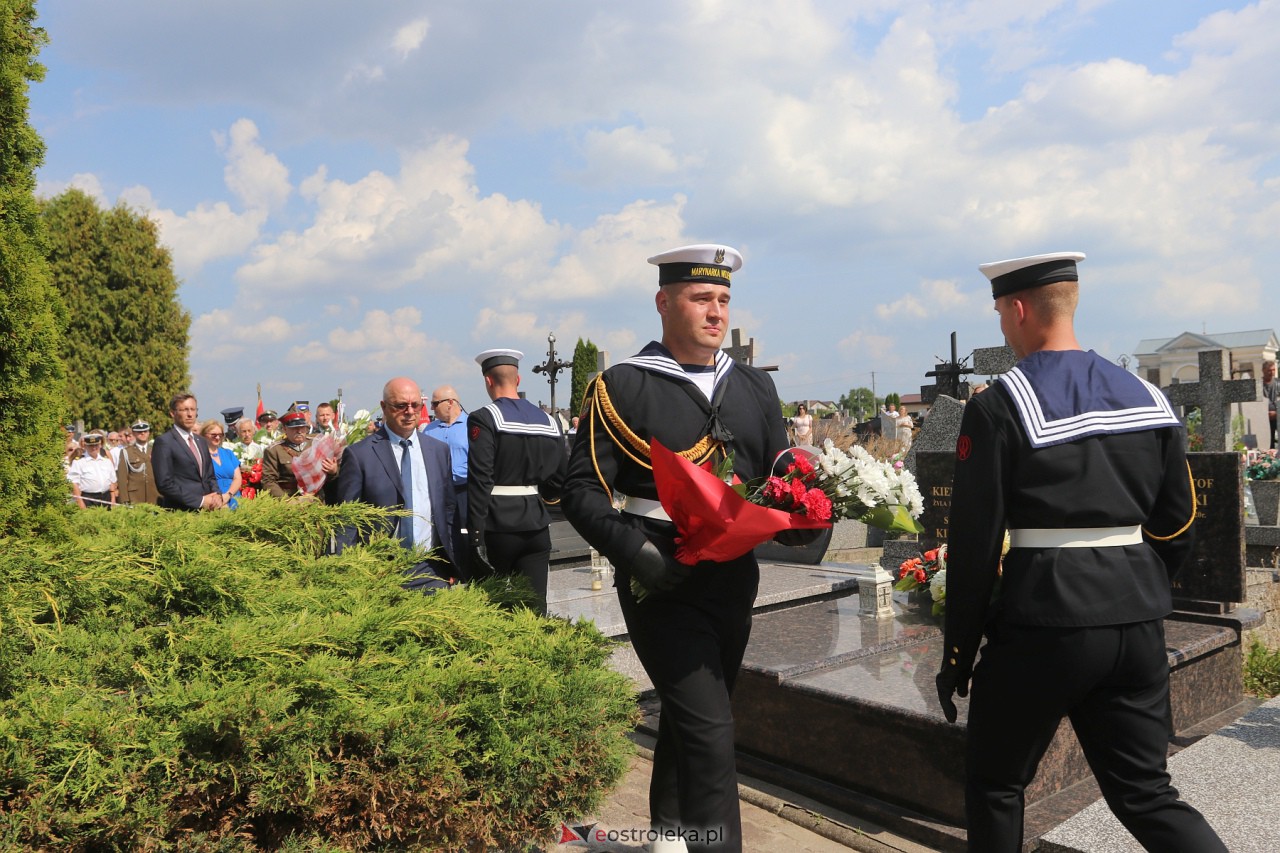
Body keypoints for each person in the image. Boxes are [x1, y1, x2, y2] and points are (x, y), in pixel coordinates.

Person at [935, 252, 1226, 853]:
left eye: (998, 314)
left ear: (1017, 310)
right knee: (1147, 793)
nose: (1000, 326)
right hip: (1137, 621)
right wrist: (1136, 584)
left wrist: (958, 653)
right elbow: (1178, 524)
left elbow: (975, 546)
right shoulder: (1148, 395)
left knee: (996, 785)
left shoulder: (999, 405)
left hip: (1046, 622)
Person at [562, 244, 804, 853]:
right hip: (659, 575)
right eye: (701, 298)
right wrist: (632, 551)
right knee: (712, 732)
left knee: (692, 715)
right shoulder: (622, 385)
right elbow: (582, 491)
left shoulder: (752, 386)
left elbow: (782, 473)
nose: (715, 311)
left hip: (733, 575)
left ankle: (671, 838)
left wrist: (809, 512)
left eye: (723, 299)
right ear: (664, 302)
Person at [335, 377, 467, 589]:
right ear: (384, 407)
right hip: (378, 570)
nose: (409, 411)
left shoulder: (439, 451)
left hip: (430, 568)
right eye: (400, 406)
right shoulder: (360, 455)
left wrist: (455, 565)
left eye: (415, 405)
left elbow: (448, 511)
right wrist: (346, 571)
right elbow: (348, 520)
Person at [467, 350, 568, 613]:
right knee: (534, 610)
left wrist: (475, 535)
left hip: (497, 526)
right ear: (519, 379)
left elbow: (480, 478)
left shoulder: (485, 418)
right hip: (536, 525)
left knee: (494, 611)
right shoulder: (548, 420)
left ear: (488, 381)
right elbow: (559, 476)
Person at [152, 393, 223, 511]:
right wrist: (200, 501)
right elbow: (164, 484)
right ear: (173, 413)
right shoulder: (164, 442)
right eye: (184, 410)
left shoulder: (201, 441)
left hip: (207, 511)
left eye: (193, 409)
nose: (190, 414)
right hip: (181, 512)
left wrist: (217, 494)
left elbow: (210, 476)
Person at [422, 384, 470, 522]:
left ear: (450, 403)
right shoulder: (429, 430)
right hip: (439, 494)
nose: (431, 408)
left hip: (465, 492)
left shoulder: (472, 426)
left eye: (435, 403)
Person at [261, 411, 332, 499]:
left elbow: (331, 475)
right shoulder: (274, 450)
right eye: (294, 428)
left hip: (316, 500)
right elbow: (268, 481)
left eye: (302, 427)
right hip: (289, 501)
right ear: (284, 429)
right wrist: (287, 501)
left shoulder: (317, 443)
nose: (299, 431)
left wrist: (333, 471)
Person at [67, 431, 117, 508]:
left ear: (100, 445)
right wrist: (80, 502)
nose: (94, 448)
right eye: (90, 446)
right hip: (88, 498)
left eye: (96, 445)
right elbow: (74, 483)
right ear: (85, 446)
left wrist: (113, 498)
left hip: (106, 497)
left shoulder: (106, 461)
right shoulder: (79, 462)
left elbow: (112, 481)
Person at [200, 419, 242, 509]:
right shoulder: (200, 456)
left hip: (234, 496)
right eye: (213, 435)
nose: (218, 438)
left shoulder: (228, 453)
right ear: (204, 435)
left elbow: (238, 478)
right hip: (214, 500)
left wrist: (228, 495)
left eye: (220, 435)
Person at [116, 420, 160, 506]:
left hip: (155, 495)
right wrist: (124, 499)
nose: (142, 433)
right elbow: (122, 478)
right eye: (139, 432)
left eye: (145, 431)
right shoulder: (126, 452)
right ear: (134, 433)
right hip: (135, 497)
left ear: (149, 433)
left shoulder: (157, 450)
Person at [1262, 359, 1277, 450]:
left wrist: (1276, 413)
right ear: (1263, 370)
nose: (1272, 372)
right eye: (1269, 370)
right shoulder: (1258, 384)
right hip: (1263, 419)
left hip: (1278, 417)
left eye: (1273, 370)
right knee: (1267, 444)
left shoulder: (1278, 383)